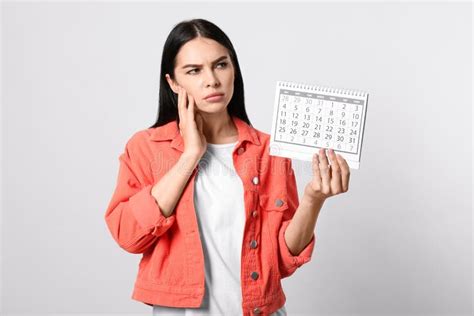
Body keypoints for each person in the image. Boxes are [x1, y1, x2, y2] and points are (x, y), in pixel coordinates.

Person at [104, 18, 351, 316]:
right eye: (194, 71)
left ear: (234, 69)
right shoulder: (146, 147)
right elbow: (128, 236)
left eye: (221, 65)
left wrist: (313, 199)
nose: (212, 79)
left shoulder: (268, 151)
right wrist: (190, 155)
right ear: (173, 82)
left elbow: (283, 260)